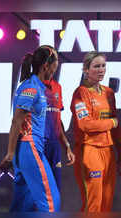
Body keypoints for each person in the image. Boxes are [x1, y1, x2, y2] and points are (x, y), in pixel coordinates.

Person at [0, 46, 60, 212]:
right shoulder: (31, 88)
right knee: (51, 202)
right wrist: (10, 154)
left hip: (29, 149)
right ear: (46, 65)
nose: (56, 68)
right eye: (56, 63)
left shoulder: (36, 86)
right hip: (29, 147)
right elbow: (16, 122)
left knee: (22, 205)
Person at [70, 52, 121, 212]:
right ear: (86, 70)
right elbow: (85, 125)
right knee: (93, 204)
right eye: (96, 66)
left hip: (108, 152)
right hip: (89, 150)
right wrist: (111, 122)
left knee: (106, 204)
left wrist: (120, 156)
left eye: (103, 66)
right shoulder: (81, 93)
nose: (101, 70)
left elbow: (117, 129)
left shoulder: (109, 93)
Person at [41, 45, 75, 191]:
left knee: (55, 189)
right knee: (39, 190)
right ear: (45, 64)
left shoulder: (57, 87)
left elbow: (57, 119)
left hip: (54, 146)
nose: (57, 63)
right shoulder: (31, 85)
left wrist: (67, 146)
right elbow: (19, 120)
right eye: (54, 59)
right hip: (37, 144)